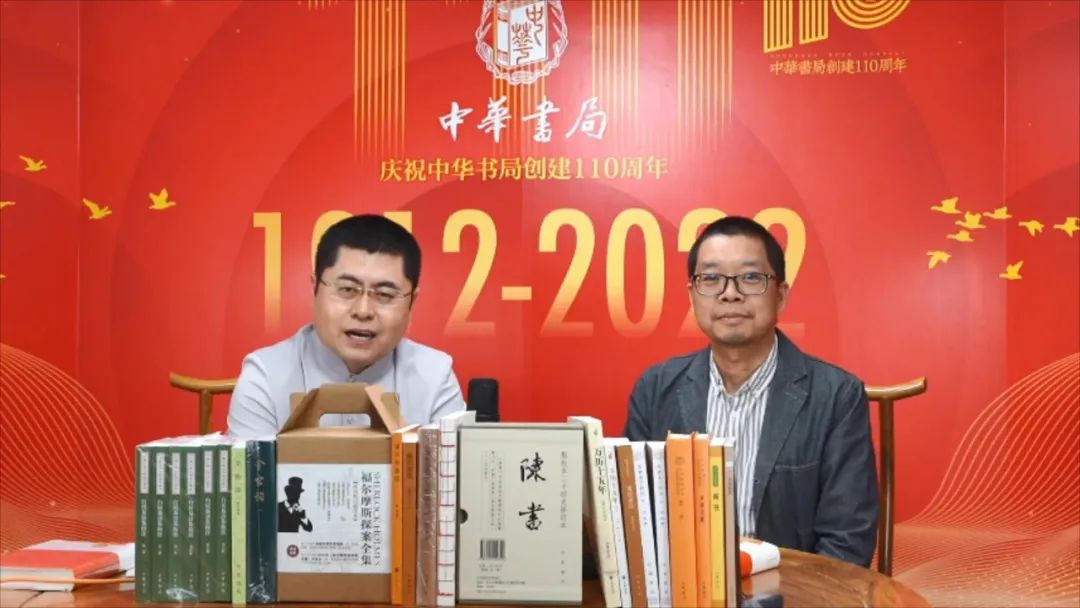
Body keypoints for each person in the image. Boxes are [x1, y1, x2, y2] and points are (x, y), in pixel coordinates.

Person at [623, 216, 878, 566]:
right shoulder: (656, 389)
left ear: (781, 295)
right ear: (692, 296)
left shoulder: (837, 397)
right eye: (711, 278)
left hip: (793, 591)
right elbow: (632, 523)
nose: (730, 293)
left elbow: (847, 544)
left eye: (751, 277)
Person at [228, 214, 465, 437]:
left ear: (412, 300)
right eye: (347, 290)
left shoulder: (435, 377)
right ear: (314, 287)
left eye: (384, 294)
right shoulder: (266, 377)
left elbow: (452, 467)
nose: (363, 311)